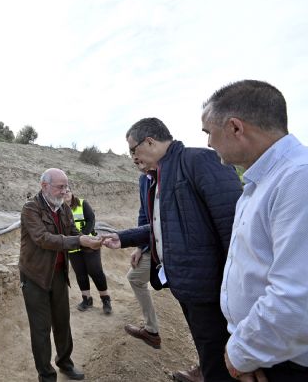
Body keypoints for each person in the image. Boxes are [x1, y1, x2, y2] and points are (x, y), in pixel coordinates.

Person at [101, 118, 242, 382]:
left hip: (211, 289)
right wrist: (123, 238)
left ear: (150, 142)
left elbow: (234, 228)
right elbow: (161, 227)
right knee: (209, 354)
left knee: (219, 364)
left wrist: (237, 289)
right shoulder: (156, 177)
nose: (132, 157)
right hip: (187, 286)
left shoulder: (199, 161)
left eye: (133, 150)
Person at [201, 80, 308, 381]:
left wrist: (241, 354)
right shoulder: (262, 182)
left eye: (208, 132)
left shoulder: (298, 179)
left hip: (285, 362)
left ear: (235, 127)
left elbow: (297, 298)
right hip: (266, 351)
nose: (209, 143)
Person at [19, 168, 101, 382]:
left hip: (58, 275)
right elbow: (43, 239)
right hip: (35, 277)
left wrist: (91, 240)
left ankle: (65, 363)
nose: (65, 191)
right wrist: (79, 241)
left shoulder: (63, 208)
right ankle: (46, 376)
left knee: (63, 322)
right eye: (60, 187)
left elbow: (73, 233)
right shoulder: (31, 209)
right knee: (41, 329)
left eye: (66, 186)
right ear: (44, 186)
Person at [123, 165, 161, 348]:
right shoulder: (143, 179)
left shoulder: (172, 171)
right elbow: (143, 214)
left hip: (178, 247)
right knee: (134, 277)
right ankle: (151, 330)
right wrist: (140, 247)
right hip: (153, 244)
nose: (135, 160)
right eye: (132, 155)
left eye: (137, 152)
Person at [63, 189, 112, 314]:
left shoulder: (82, 204)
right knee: (80, 273)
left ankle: (105, 300)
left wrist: (82, 237)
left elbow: (91, 220)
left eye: (68, 191)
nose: (66, 193)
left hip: (90, 243)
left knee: (96, 271)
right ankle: (86, 299)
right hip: (73, 245)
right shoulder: (59, 209)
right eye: (63, 192)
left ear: (72, 192)